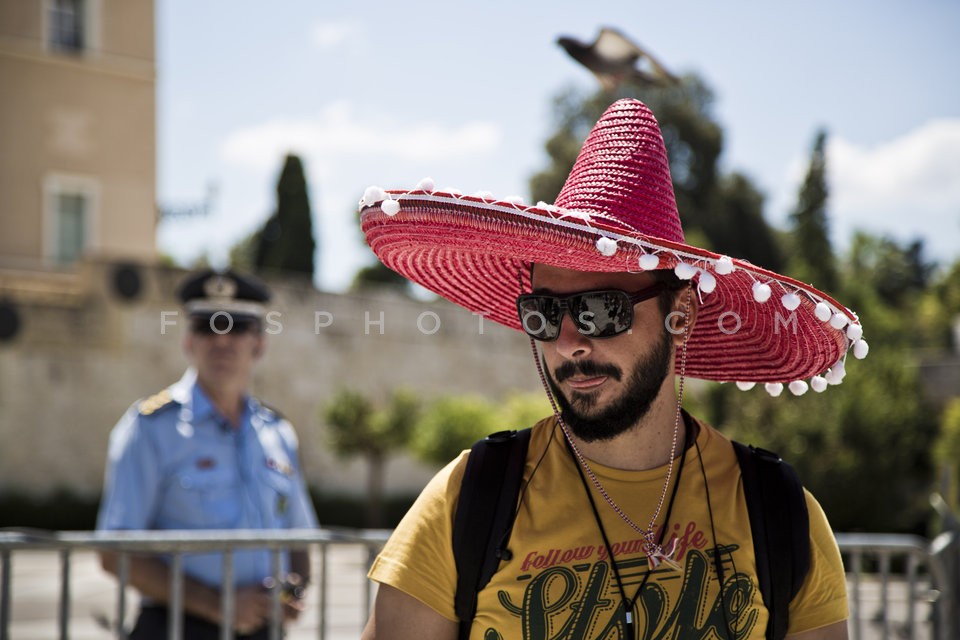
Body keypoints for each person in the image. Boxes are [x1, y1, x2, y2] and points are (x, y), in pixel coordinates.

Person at [356, 99, 866, 639]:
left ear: (681, 314)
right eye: (545, 314)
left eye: (602, 310)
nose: (569, 341)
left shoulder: (779, 512)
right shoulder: (467, 500)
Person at [96, 269, 319, 640]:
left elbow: (299, 537)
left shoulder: (277, 431)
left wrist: (291, 592)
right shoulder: (149, 427)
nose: (222, 341)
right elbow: (115, 550)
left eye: (237, 327)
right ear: (188, 340)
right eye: (207, 327)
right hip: (176, 627)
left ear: (259, 343)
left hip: (264, 629)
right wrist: (219, 605)